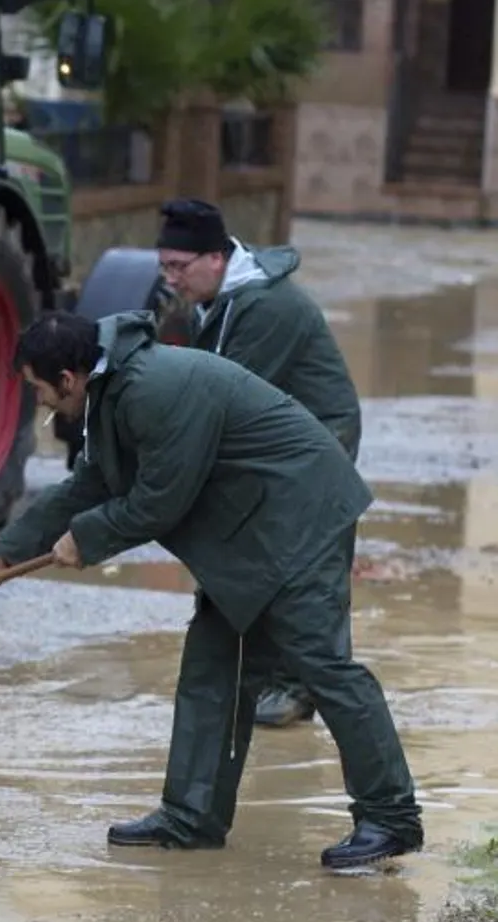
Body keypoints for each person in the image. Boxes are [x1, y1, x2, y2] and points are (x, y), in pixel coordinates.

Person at [0, 309, 422, 869]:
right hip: (247, 531)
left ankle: (391, 819)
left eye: (40, 391)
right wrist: (2, 554)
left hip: (301, 518)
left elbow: (160, 500)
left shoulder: (154, 389)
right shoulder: (113, 389)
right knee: (211, 669)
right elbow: (94, 480)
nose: (43, 405)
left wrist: (86, 539)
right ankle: (192, 817)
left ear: (68, 379)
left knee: (322, 666)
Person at [155, 198, 363, 729]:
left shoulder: (267, 308)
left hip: (318, 440)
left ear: (216, 259)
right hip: (273, 435)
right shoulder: (220, 299)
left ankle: (299, 689)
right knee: (256, 550)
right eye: (164, 266)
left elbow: (222, 397)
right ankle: (267, 675)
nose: (170, 279)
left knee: (307, 563)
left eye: (179, 267)